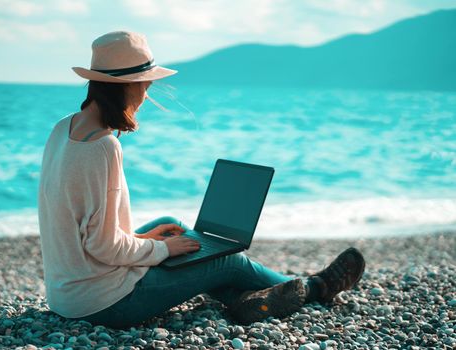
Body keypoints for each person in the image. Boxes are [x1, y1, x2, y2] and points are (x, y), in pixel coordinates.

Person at [37, 31, 366, 329]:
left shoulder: (64, 128)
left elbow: (86, 230)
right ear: (129, 86)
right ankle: (315, 287)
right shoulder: (103, 146)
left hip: (66, 291)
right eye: (146, 85)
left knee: (172, 226)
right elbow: (103, 245)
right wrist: (161, 248)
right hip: (101, 302)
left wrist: (149, 239)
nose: (147, 95)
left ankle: (243, 302)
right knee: (227, 259)